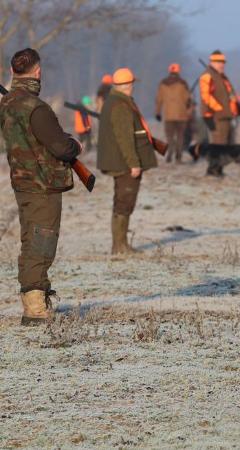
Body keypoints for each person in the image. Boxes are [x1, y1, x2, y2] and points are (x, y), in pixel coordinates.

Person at [0, 48, 82, 325]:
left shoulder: (8, 104)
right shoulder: (37, 108)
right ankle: (35, 307)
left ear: (13, 72)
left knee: (31, 239)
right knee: (42, 241)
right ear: (37, 72)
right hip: (42, 184)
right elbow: (60, 147)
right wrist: (76, 145)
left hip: (22, 182)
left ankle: (33, 298)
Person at [96, 67, 158, 255]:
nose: (132, 87)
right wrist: (133, 163)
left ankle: (120, 245)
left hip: (119, 161)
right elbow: (124, 137)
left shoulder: (116, 101)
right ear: (126, 85)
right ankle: (120, 246)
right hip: (124, 163)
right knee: (125, 201)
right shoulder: (120, 105)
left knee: (122, 201)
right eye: (131, 83)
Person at [198, 50, 238, 176]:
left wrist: (235, 109)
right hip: (216, 116)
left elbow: (230, 95)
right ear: (212, 62)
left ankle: (218, 169)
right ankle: (213, 170)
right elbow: (206, 96)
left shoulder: (222, 77)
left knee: (225, 145)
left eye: (223, 62)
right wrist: (219, 108)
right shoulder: (207, 76)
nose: (222, 65)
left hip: (226, 116)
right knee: (218, 145)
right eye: (219, 62)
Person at [155, 62, 192, 163]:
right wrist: (189, 111)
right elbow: (188, 100)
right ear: (178, 70)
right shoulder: (183, 83)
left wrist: (158, 113)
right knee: (180, 136)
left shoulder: (163, 83)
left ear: (169, 70)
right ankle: (178, 157)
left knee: (170, 136)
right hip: (181, 115)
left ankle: (170, 151)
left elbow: (159, 99)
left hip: (168, 115)